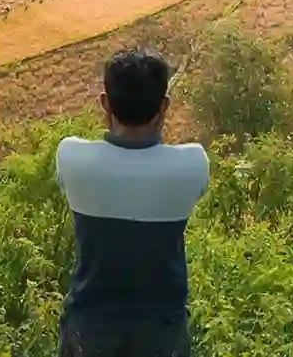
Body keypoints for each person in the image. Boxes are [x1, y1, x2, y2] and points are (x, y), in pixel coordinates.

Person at [55, 49, 210, 357]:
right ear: (164, 106)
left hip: (90, 326)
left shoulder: (72, 157)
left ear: (104, 103)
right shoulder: (192, 164)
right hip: (161, 330)